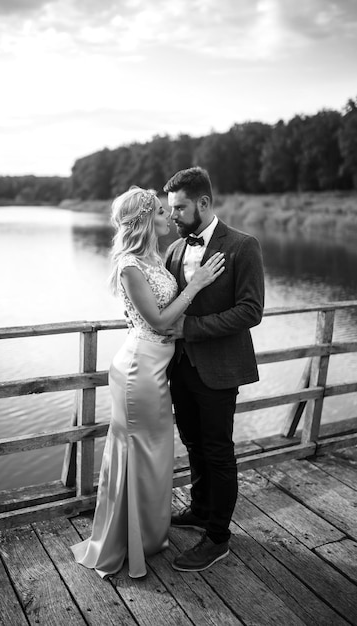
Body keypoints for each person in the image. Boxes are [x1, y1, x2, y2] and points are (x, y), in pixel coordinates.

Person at [70, 185, 225, 579]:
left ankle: (149, 535)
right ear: (143, 220)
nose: (168, 216)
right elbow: (157, 321)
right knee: (137, 453)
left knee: (154, 455)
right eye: (160, 211)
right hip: (139, 369)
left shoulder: (155, 257)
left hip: (158, 366)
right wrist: (196, 284)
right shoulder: (129, 265)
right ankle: (130, 540)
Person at [164, 166, 265, 572]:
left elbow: (251, 311)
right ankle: (201, 509)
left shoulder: (243, 245)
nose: (172, 215)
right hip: (179, 369)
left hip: (219, 369)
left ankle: (218, 538)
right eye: (171, 208)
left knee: (219, 451)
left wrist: (192, 328)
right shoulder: (174, 249)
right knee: (193, 444)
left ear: (203, 203)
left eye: (180, 207)